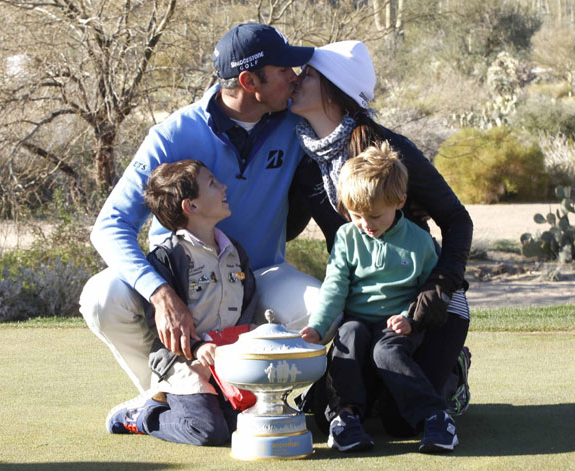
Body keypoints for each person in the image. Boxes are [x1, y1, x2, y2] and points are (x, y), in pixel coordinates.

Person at [79, 22, 321, 427]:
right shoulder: (174, 133)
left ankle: (251, 401)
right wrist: (159, 293)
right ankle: (160, 398)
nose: (293, 78)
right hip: (180, 289)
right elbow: (110, 225)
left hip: (259, 279)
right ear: (248, 80)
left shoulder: (296, 123)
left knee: (319, 307)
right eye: (283, 70)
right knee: (102, 296)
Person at [290, 40, 473, 435]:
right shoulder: (305, 162)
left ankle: (452, 370)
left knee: (400, 423)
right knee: (328, 413)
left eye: (308, 75)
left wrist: (439, 287)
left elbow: (457, 220)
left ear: (333, 89)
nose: (295, 80)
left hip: (427, 301)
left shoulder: (389, 156)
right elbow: (287, 230)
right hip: (365, 309)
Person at [300, 144, 458, 453]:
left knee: (387, 351)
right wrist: (318, 328)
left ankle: (436, 417)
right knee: (347, 339)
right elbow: (335, 287)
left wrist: (411, 318)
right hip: (356, 319)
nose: (365, 224)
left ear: (399, 202)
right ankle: (345, 419)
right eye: (356, 215)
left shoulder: (421, 242)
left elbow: (429, 292)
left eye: (374, 216)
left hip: (398, 323)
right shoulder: (347, 237)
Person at [106, 160, 255, 445]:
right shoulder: (167, 258)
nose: (223, 187)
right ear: (191, 206)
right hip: (182, 360)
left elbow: (247, 303)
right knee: (209, 430)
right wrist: (198, 348)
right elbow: (163, 324)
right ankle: (142, 415)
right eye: (212, 183)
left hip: (225, 360)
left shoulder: (236, 251)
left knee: (245, 425)